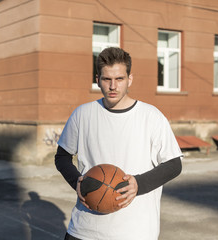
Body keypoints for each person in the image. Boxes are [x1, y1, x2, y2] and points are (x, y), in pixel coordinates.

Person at [55, 47, 182, 240]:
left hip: (135, 232)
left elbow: (174, 165)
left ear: (130, 79)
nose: (113, 86)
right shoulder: (82, 114)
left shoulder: (151, 116)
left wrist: (138, 184)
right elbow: (62, 157)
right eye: (107, 79)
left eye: (119, 79)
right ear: (97, 80)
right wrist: (77, 182)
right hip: (84, 230)